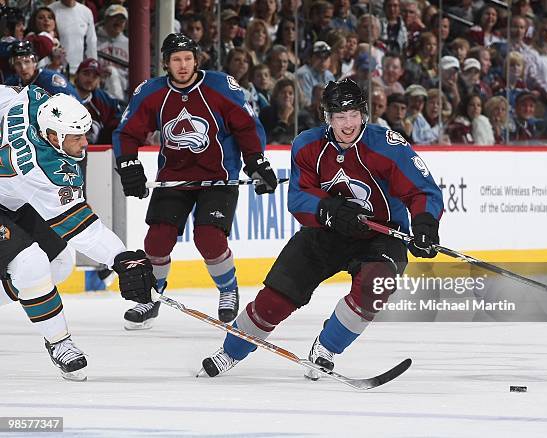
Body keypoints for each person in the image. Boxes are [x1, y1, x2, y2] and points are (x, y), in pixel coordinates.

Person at [200, 78, 443, 378]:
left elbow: (422, 191)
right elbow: (298, 197)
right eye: (340, 116)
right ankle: (230, 351)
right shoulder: (307, 145)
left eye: (354, 114)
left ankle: (326, 348)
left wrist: (424, 224)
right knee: (274, 301)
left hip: (381, 236)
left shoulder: (389, 146)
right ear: (327, 117)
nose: (348, 123)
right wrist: (329, 209)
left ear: (364, 113)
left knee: (374, 287)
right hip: (325, 233)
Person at [113, 33, 278, 329]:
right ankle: (152, 298)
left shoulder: (220, 86)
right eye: (176, 60)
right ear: (166, 63)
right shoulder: (151, 93)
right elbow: (126, 133)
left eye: (188, 58)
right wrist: (128, 163)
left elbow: (247, 127)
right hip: (175, 178)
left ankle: (228, 290)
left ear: (196, 60)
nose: (183, 65)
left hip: (219, 178)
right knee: (157, 239)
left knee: (209, 238)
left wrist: (256, 161)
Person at [0, 84, 156, 381]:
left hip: (13, 196)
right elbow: (84, 231)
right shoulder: (47, 171)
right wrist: (119, 257)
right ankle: (60, 342)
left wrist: (122, 258)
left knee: (59, 262)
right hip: (12, 194)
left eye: (85, 133)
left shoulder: (33, 98)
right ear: (54, 136)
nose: (85, 142)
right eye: (77, 137)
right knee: (30, 263)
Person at [4, 40, 79, 98]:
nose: (23, 68)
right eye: (18, 63)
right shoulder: (11, 83)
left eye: (27, 62)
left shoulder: (52, 80)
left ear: (35, 62)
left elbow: (74, 104)